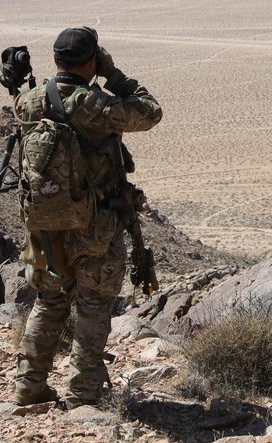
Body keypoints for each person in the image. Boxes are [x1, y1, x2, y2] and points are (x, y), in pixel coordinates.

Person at [13, 26, 162, 409]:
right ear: (92, 60)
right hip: (95, 227)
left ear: (56, 60)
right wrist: (113, 74)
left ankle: (29, 388)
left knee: (48, 302)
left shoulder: (28, 103)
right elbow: (150, 111)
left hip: (44, 227)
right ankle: (82, 393)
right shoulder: (94, 105)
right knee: (94, 307)